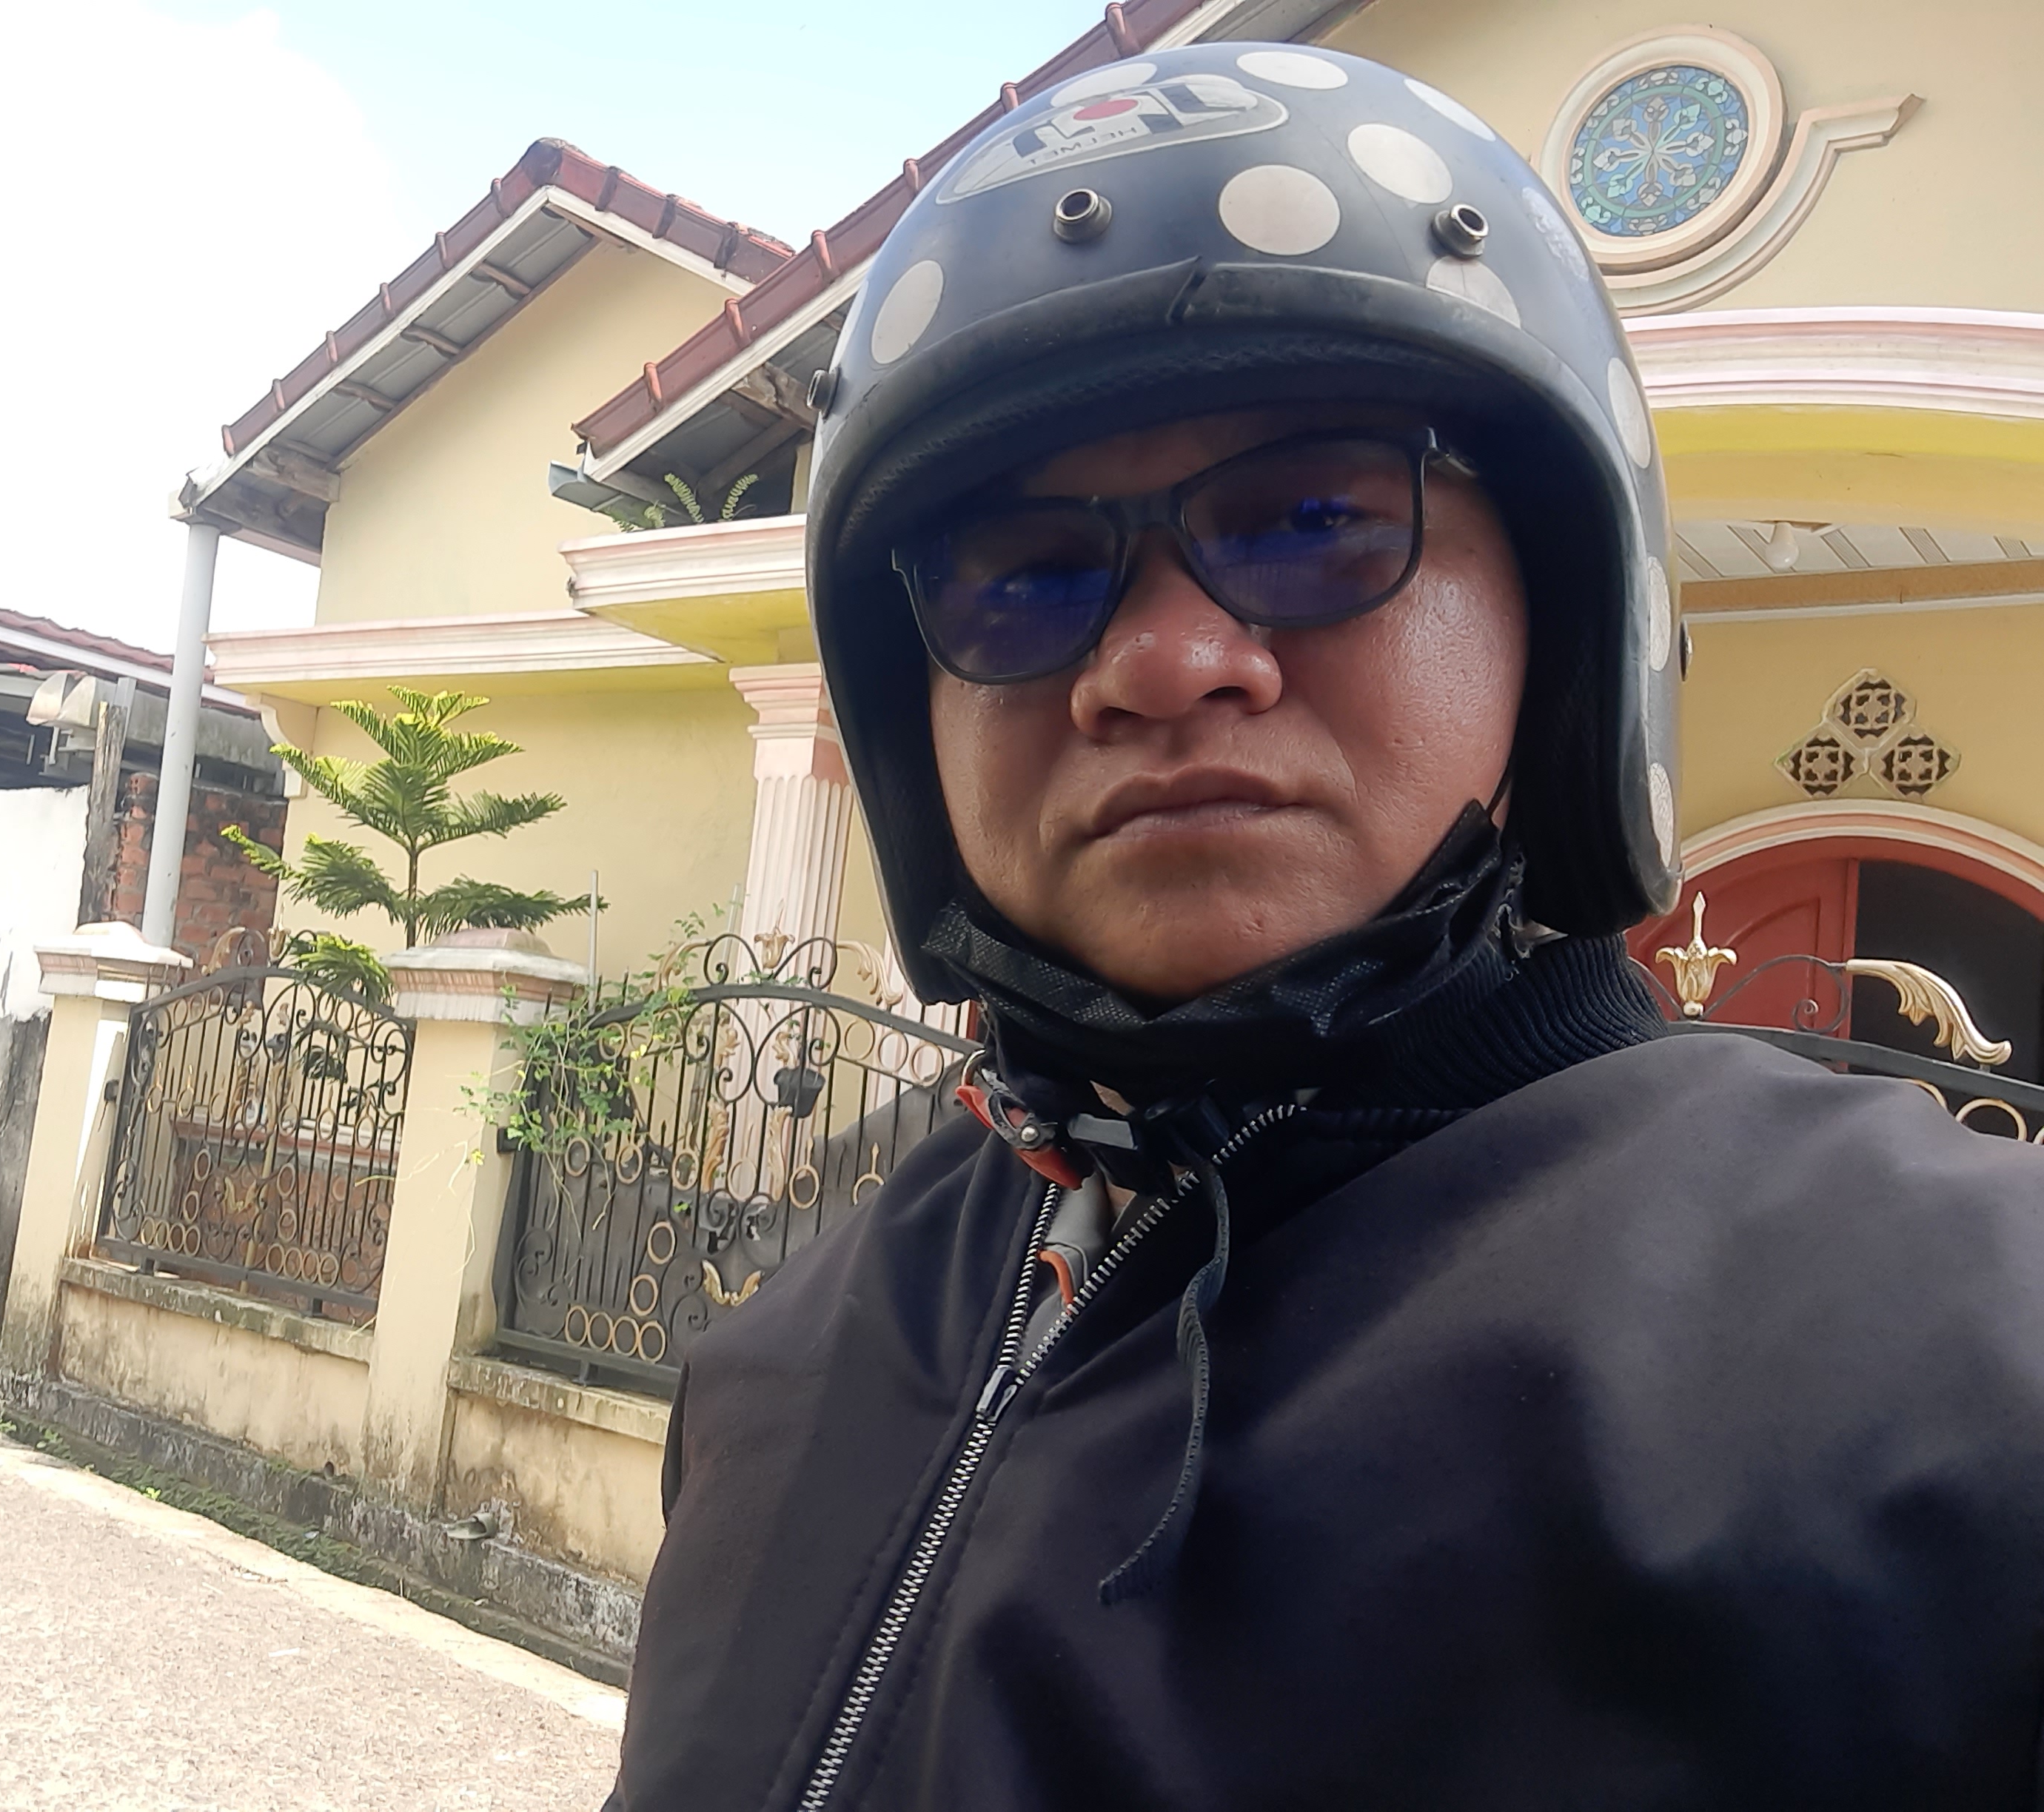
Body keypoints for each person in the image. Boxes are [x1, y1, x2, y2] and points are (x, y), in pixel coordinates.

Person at [607, 44, 2044, 1811]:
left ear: (1565, 632)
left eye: (1312, 521)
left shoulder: (1958, 1362)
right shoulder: (783, 1360)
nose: (1161, 661)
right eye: (1020, 573)